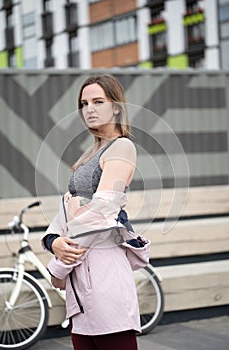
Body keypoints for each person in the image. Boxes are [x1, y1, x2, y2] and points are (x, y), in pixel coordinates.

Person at [42, 74, 151, 350]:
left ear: (115, 107)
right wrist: (53, 241)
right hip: (81, 285)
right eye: (84, 103)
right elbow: (66, 208)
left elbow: (101, 212)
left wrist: (59, 268)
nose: (89, 108)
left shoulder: (122, 147)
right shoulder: (89, 154)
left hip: (104, 276)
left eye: (98, 101)